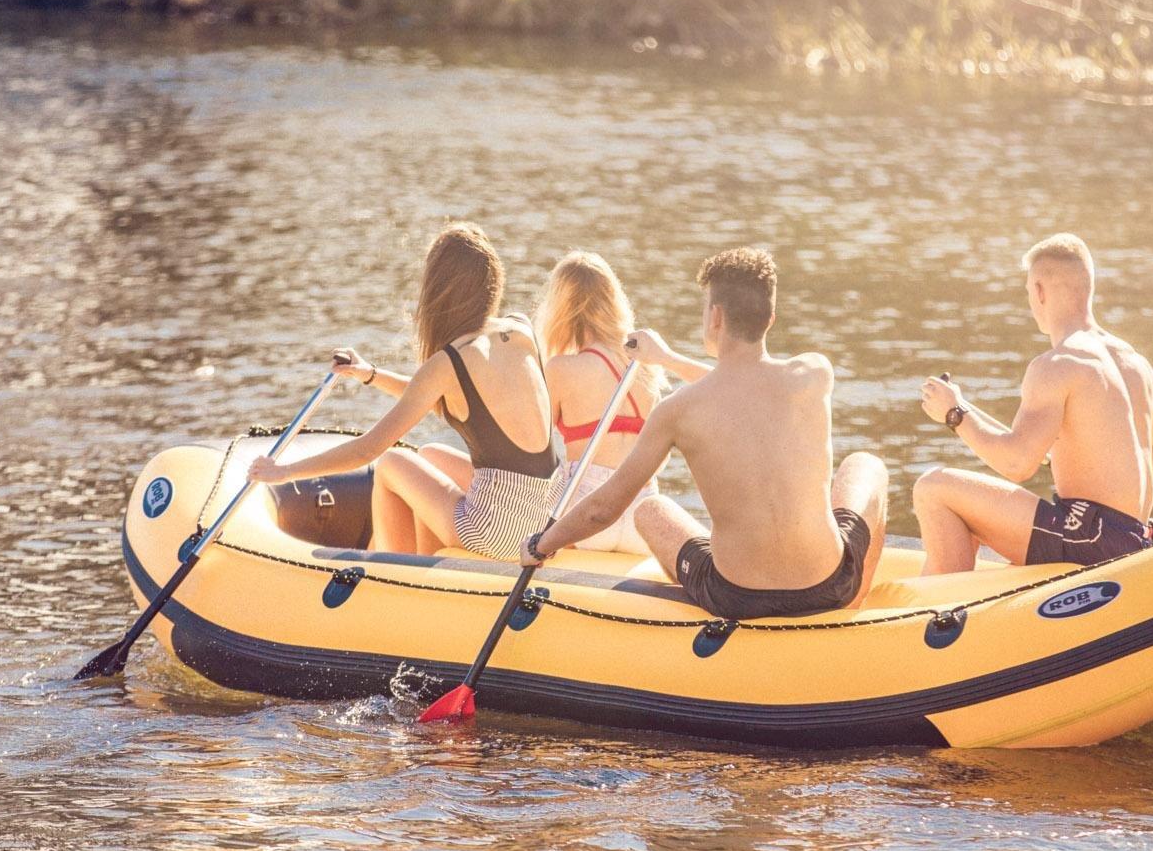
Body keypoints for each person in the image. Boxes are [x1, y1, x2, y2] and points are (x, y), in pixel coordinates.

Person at [523, 248, 889, 620]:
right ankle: (853, 606)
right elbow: (744, 388)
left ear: (715, 317)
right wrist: (667, 360)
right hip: (830, 582)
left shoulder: (679, 411)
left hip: (737, 596)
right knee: (866, 465)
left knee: (651, 510)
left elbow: (604, 508)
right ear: (771, 318)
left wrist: (540, 545)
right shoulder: (814, 373)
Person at [248, 223, 558, 558]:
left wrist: (283, 472)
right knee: (431, 455)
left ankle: (393, 575)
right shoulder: (520, 330)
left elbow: (366, 450)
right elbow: (434, 398)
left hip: (499, 531)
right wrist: (370, 374)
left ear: (440, 293)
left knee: (392, 462)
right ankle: (430, 569)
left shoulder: (449, 362)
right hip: (549, 514)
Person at [912, 233, 1153, 575]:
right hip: (1133, 536)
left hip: (1088, 540)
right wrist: (1102, 468)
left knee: (933, 487)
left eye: (1029, 292)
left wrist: (954, 414)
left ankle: (937, 617)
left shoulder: (1057, 364)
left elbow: (1017, 464)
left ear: (1040, 291)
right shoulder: (1132, 361)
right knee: (968, 507)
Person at [533, 250, 703, 554]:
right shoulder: (645, 366)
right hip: (641, 510)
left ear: (560, 308)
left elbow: (533, 443)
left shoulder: (561, 368)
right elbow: (659, 457)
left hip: (582, 509)